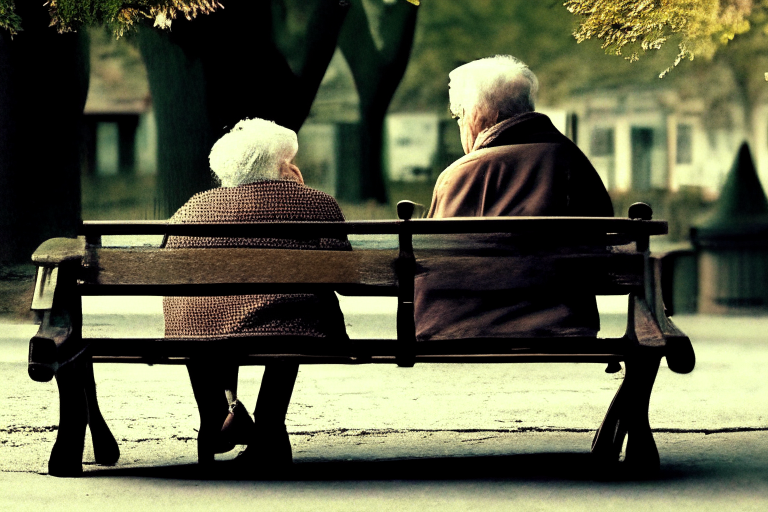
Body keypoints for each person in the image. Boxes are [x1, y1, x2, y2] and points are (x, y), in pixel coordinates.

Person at [162, 118, 350, 467]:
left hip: (197, 332)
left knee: (201, 314)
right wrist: (301, 195)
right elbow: (345, 276)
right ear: (283, 167)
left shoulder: (194, 207)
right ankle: (269, 428)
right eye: (289, 160)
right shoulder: (315, 204)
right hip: (289, 329)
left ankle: (213, 420)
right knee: (290, 315)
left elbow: (168, 273)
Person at [415, 55, 614, 341]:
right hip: (564, 325)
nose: (460, 124)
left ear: (481, 114)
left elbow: (434, 261)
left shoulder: (462, 174)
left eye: (460, 116)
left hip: (466, 329)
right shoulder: (575, 163)